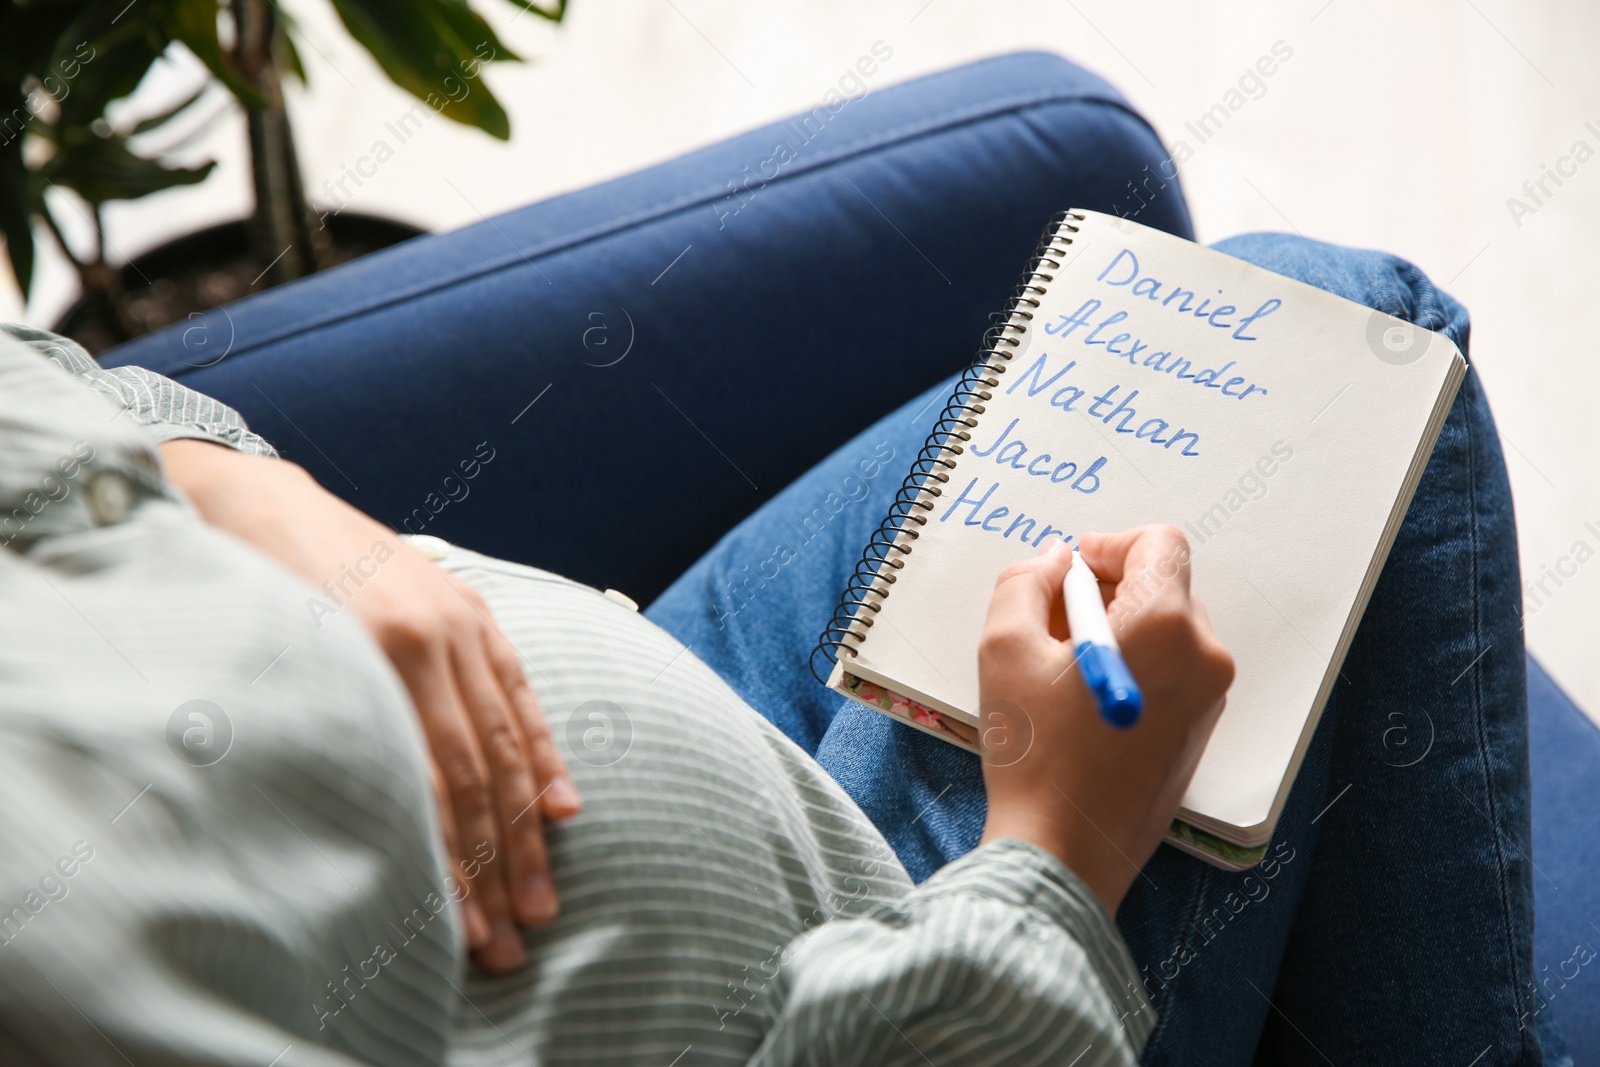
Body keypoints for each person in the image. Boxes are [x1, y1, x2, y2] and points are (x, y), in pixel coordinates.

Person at [0, 51, 1558, 1067]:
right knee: (1358, 326)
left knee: (1295, 342)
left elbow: (43, 380)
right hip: (851, 997)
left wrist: (283, 511)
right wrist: (1056, 854)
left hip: (650, 684)